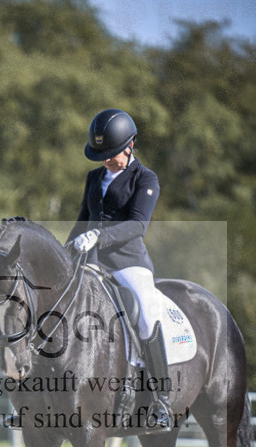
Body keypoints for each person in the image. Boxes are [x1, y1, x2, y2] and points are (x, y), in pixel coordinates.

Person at [66, 108, 171, 430]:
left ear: (131, 145)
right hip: (92, 262)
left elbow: (137, 226)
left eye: (112, 154)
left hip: (129, 263)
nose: (107, 160)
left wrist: (99, 235)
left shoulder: (146, 179)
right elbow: (83, 221)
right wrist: (65, 252)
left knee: (145, 313)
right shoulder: (94, 178)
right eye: (103, 155)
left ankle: (160, 401)